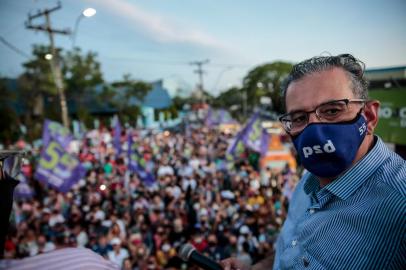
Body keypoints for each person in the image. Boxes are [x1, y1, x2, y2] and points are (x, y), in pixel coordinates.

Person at [221, 54, 406, 270]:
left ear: (369, 116)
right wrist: (259, 267)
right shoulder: (307, 180)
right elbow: (292, 248)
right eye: (299, 118)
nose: (315, 129)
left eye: (332, 110)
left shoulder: (400, 207)